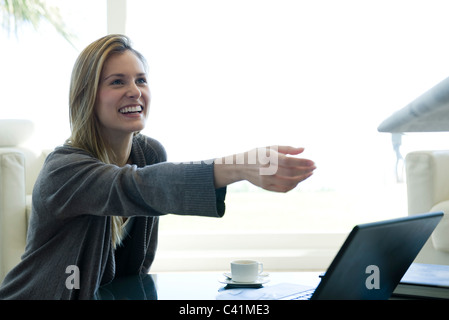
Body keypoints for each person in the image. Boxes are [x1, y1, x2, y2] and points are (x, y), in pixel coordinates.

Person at [0, 34, 316, 299]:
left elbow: (132, 275)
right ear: (87, 97)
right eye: (117, 82)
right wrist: (242, 167)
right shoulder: (63, 169)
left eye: (141, 80)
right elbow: (136, 187)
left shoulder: (149, 153)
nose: (135, 90)